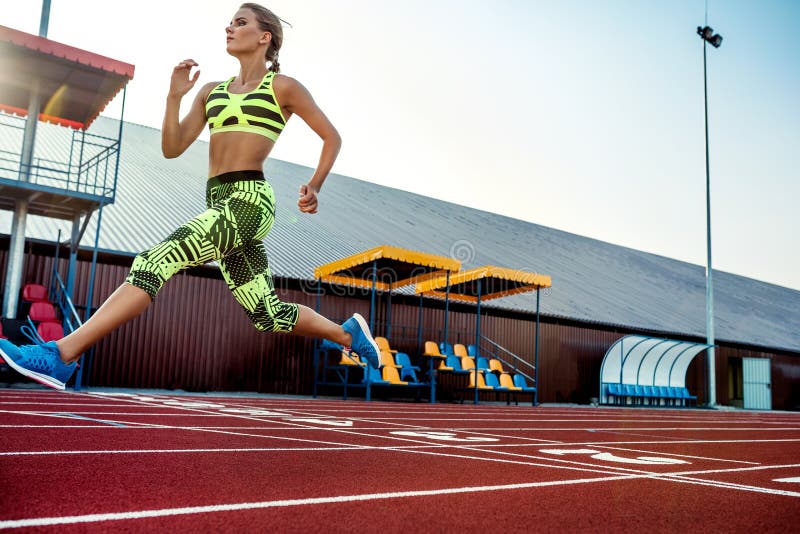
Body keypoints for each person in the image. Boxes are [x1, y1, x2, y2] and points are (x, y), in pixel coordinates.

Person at [0, 3, 380, 390]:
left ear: (264, 37)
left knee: (154, 260)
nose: (229, 27)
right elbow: (172, 147)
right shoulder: (210, 92)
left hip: (250, 202)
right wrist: (174, 96)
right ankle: (348, 335)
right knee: (268, 314)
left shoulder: (282, 87)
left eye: (241, 22)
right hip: (219, 203)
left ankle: (61, 356)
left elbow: (332, 136)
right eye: (230, 21)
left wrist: (314, 185)